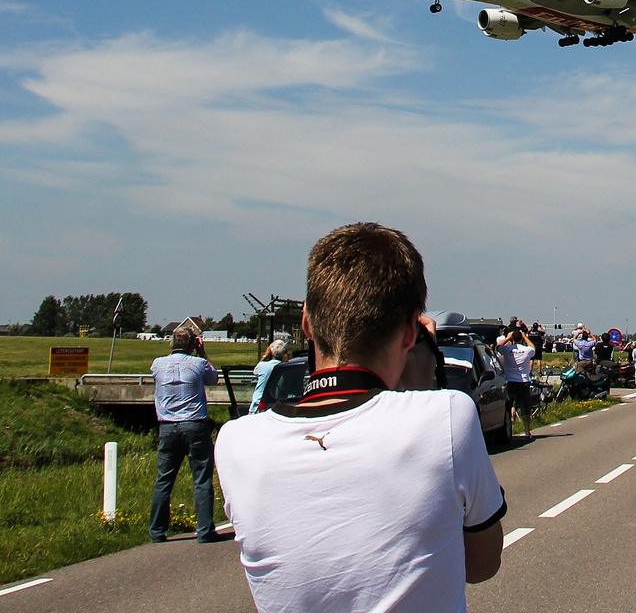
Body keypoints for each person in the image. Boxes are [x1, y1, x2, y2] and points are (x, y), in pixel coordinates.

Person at [215, 222, 505, 613]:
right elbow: (482, 565)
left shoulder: (237, 443)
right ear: (409, 331)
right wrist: (421, 382)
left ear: (306, 323)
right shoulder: (447, 416)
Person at [151, 327, 223, 543]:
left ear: (171, 343)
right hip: (194, 424)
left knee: (164, 479)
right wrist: (203, 353)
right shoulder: (198, 364)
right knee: (201, 478)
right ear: (193, 344)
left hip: (167, 426)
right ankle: (204, 530)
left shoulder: (158, 364)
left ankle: (157, 531)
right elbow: (213, 378)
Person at [497, 325, 537, 438]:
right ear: (521, 338)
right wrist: (525, 337)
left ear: (512, 339)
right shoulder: (526, 350)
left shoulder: (507, 349)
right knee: (525, 406)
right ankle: (527, 430)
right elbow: (533, 348)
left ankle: (511, 418)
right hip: (524, 381)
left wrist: (507, 338)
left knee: (510, 402)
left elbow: (498, 347)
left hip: (510, 380)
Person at [249, 339, 288, 415]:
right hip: (278, 405)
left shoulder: (262, 366)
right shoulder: (286, 368)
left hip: (258, 403)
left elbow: (255, 371)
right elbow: (288, 362)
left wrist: (265, 355)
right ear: (284, 352)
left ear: (270, 351)